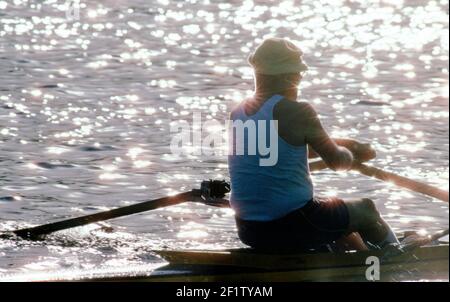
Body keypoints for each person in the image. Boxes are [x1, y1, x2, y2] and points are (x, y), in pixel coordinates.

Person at [228, 37, 399, 251]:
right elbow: (338, 162)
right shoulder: (298, 111)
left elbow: (283, 150)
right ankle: (397, 258)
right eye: (299, 74)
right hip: (292, 224)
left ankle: (359, 257)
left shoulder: (238, 113)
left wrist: (347, 144)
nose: (300, 79)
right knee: (366, 209)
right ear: (287, 76)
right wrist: (350, 155)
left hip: (249, 230)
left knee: (343, 227)